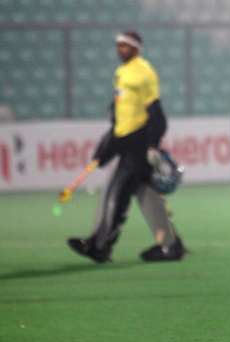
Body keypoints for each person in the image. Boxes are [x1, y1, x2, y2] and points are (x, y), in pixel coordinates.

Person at [68, 31, 186, 263]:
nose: (119, 49)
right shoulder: (122, 72)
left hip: (138, 144)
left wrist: (152, 145)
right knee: (147, 194)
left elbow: (156, 113)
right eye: (118, 45)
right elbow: (121, 118)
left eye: (125, 45)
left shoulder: (142, 71)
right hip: (128, 142)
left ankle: (99, 245)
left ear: (136, 48)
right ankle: (170, 245)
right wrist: (108, 147)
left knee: (115, 192)